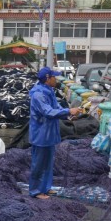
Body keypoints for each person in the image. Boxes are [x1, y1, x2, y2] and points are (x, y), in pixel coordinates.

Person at [29, 67, 83, 199]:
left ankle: (46, 188)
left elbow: (56, 108)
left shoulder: (49, 91)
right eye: (54, 77)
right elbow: (48, 112)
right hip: (40, 135)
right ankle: (35, 191)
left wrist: (69, 115)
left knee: (48, 164)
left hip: (49, 134)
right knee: (38, 164)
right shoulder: (38, 95)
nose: (56, 79)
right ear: (48, 78)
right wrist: (69, 111)